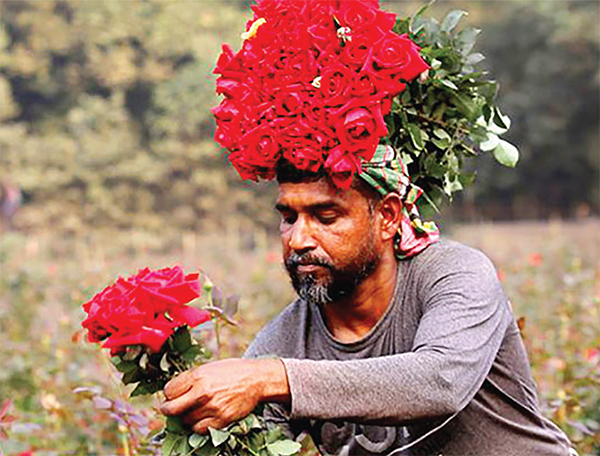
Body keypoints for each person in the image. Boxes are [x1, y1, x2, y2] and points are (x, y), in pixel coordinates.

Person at [160, 0, 574, 454]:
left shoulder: (454, 275)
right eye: (287, 217)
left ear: (389, 218)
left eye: (326, 216)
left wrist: (272, 378)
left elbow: (439, 382)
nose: (298, 239)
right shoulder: (285, 340)